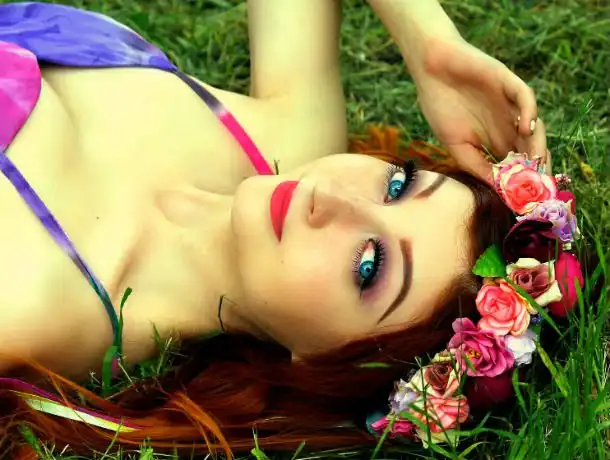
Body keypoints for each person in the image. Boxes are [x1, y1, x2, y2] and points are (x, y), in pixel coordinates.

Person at [0, 1, 571, 457]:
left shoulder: (30, 304)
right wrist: (430, 42)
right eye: (397, 185)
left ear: (324, 366)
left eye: (367, 264)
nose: (334, 197)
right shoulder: (289, 145)